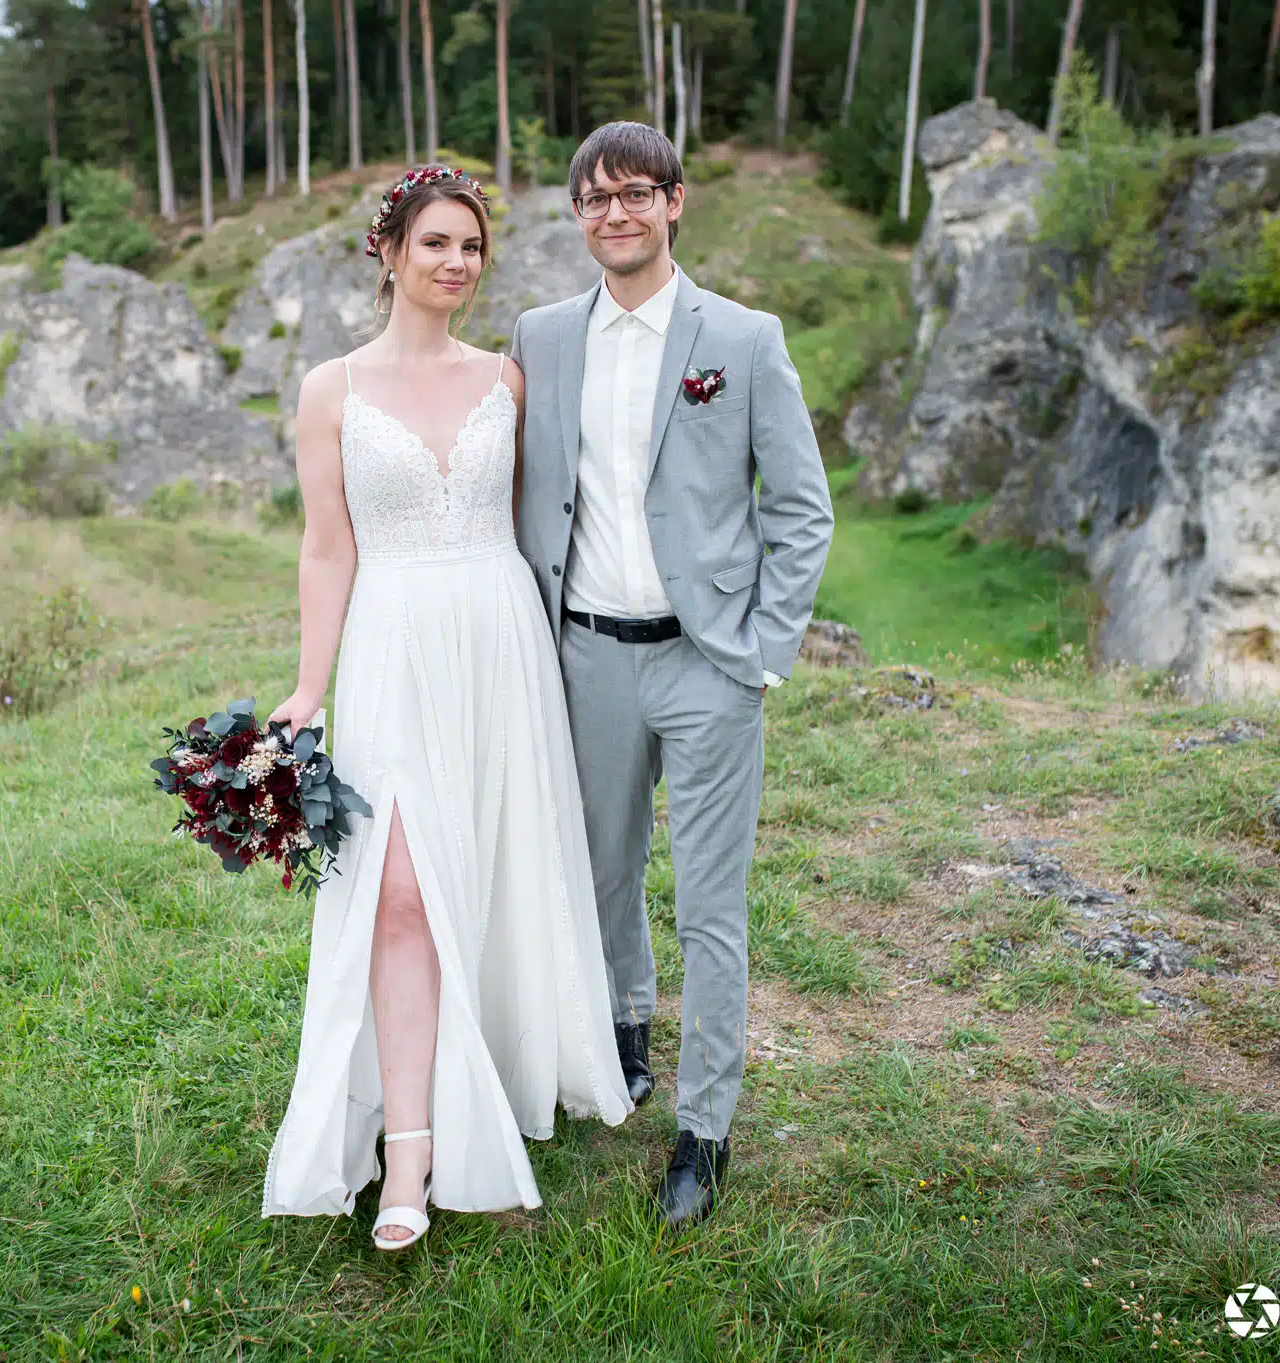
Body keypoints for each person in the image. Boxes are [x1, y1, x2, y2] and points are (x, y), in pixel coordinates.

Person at [260, 166, 632, 1249]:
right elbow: (325, 547)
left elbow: (550, 517)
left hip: (495, 637)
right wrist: (304, 685)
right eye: (433, 244)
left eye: (469, 247)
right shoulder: (329, 390)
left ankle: (502, 1065)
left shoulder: (508, 381)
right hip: (389, 642)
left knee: (492, 868)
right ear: (386, 253)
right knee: (399, 893)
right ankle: (408, 1159)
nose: (455, 264)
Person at [510, 121, 835, 1228]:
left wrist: (763, 648)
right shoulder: (540, 336)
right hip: (585, 656)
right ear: (576, 216)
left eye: (635, 193)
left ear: (674, 202)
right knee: (598, 875)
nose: (615, 213)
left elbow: (800, 507)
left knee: (710, 907)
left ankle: (702, 1130)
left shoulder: (740, 339)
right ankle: (622, 1033)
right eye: (594, 197)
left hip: (706, 665)